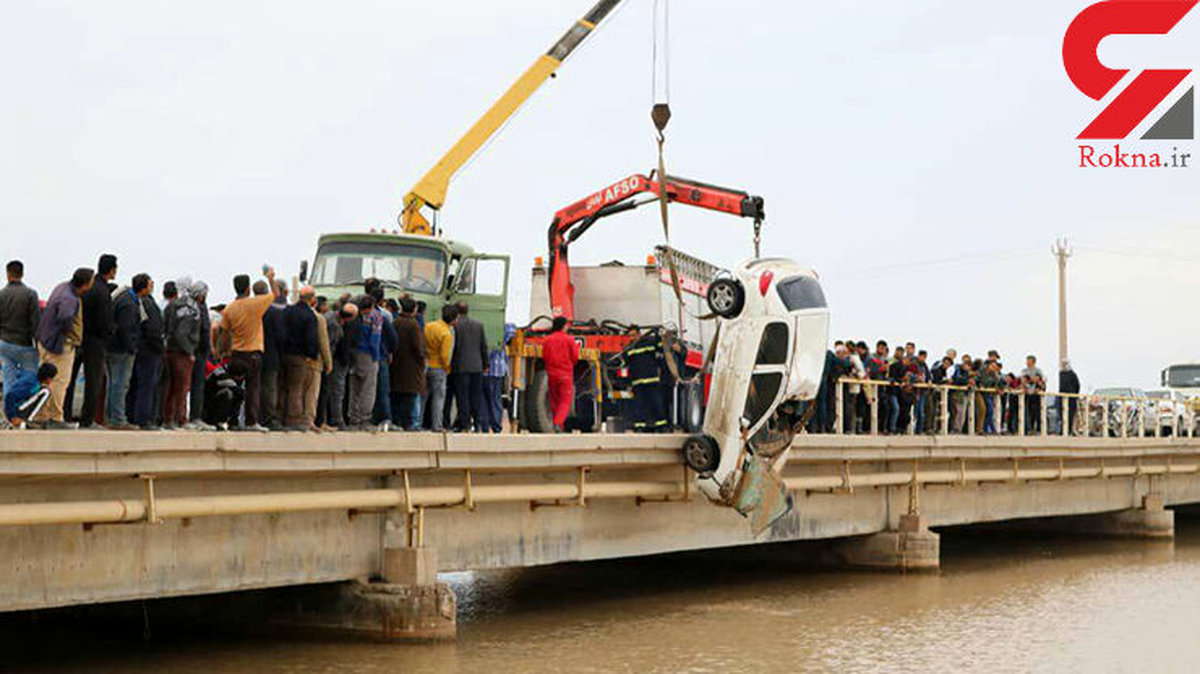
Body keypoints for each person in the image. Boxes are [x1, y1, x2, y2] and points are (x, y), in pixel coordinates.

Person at [219, 268, 280, 432]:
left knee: (234, 388)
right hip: (253, 354)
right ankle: (251, 422)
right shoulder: (255, 303)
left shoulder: (229, 309)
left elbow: (224, 334)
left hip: (236, 354)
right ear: (248, 289)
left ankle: (231, 420)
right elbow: (276, 293)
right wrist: (270, 278)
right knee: (253, 388)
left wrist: (223, 352)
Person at [34, 267, 94, 429]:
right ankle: (55, 417)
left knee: (46, 381)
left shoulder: (62, 287)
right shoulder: (70, 299)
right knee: (59, 380)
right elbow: (65, 316)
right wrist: (71, 334)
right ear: (85, 284)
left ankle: (42, 415)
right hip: (58, 345)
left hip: (45, 341)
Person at [70, 253, 117, 427]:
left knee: (71, 379)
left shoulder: (87, 286)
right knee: (93, 382)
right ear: (112, 270)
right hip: (95, 342)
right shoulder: (103, 291)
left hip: (78, 338)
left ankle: (66, 416)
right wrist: (110, 333)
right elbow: (105, 321)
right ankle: (87, 419)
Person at [106, 274, 151, 430]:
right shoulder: (129, 304)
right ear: (144, 286)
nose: (152, 287)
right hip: (121, 350)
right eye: (150, 284)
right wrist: (131, 348)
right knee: (120, 384)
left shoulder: (126, 298)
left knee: (114, 384)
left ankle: (112, 417)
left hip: (114, 347)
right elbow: (125, 329)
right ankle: (118, 419)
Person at [281, 287, 330, 431]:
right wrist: (323, 360)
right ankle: (299, 421)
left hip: (285, 355)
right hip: (305, 358)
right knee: (305, 392)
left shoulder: (287, 311)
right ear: (312, 299)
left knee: (286, 388)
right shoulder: (314, 317)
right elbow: (320, 341)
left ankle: (284, 418)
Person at [162, 277, 203, 430]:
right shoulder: (190, 307)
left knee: (171, 387)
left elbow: (166, 328)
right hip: (183, 353)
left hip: (169, 351)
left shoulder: (171, 305)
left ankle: (168, 419)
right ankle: (181, 419)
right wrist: (189, 351)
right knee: (182, 387)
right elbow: (182, 333)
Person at [0, 260, 40, 405]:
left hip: (5, 344)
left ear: (7, 274)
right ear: (22, 273)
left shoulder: (1, 294)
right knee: (30, 379)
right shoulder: (30, 294)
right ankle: (25, 408)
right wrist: (39, 344)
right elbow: (35, 323)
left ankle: (9, 413)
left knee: (8, 379)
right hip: (24, 345)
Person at [347, 293, 386, 429]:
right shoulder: (376, 316)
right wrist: (376, 357)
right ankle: (365, 419)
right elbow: (375, 339)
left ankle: (353, 418)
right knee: (368, 388)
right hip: (368, 355)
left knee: (354, 387)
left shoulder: (354, 314)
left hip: (353, 354)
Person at [130, 278, 165, 430]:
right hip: (150, 351)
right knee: (147, 386)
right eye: (150, 284)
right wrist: (159, 348)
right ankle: (144, 419)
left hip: (140, 349)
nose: (152, 287)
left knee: (137, 385)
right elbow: (153, 329)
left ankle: (133, 416)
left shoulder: (138, 302)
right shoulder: (148, 305)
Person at [450, 302, 488, 432]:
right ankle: (477, 423)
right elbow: (483, 346)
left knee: (462, 397)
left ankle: (464, 424)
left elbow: (453, 347)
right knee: (476, 396)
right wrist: (486, 364)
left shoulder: (454, 325)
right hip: (477, 366)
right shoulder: (478, 325)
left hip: (460, 366)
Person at [391, 296, 426, 431]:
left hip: (397, 365)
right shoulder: (414, 325)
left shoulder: (396, 322)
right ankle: (413, 423)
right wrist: (422, 360)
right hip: (412, 367)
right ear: (414, 309)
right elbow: (418, 347)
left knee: (398, 396)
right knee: (412, 396)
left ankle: (398, 421)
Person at [625, 327, 667, 433]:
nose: (632, 338)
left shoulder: (649, 343)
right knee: (639, 405)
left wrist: (657, 336)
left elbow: (661, 349)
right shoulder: (629, 349)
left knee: (656, 403)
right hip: (637, 382)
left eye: (634, 335)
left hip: (651, 380)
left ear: (639, 334)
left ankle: (661, 426)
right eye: (630, 336)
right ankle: (640, 426)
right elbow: (626, 364)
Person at [423, 304, 457, 432]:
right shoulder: (447, 334)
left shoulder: (429, 326)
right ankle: (436, 425)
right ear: (453, 320)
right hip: (439, 368)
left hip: (426, 365)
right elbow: (444, 356)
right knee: (438, 398)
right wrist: (447, 368)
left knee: (423, 397)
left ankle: (418, 422)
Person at [541, 317, 578, 432]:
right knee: (566, 401)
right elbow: (575, 357)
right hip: (565, 374)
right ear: (563, 326)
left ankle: (557, 425)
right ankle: (558, 423)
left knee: (554, 401)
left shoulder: (547, 340)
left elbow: (545, 357)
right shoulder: (569, 340)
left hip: (552, 374)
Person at [325, 302, 358, 430]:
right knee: (336, 391)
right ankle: (336, 419)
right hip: (335, 361)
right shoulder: (335, 325)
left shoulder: (329, 316)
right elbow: (330, 345)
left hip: (335, 360)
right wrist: (329, 362)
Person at [260, 281, 288, 429]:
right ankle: (270, 418)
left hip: (256, 352)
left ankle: (257, 417)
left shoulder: (256, 309)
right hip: (273, 354)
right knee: (271, 387)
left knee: (257, 387)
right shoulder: (275, 312)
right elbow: (281, 336)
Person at [187, 281, 213, 430]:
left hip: (194, 351)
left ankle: (194, 417)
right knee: (197, 386)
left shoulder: (191, 307)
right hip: (198, 352)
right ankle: (195, 417)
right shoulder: (198, 309)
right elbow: (203, 330)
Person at [2, 363, 57, 430]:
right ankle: (27, 420)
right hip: (17, 409)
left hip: (17, 405)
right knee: (46, 392)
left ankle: (24, 420)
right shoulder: (31, 384)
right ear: (48, 378)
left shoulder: (32, 376)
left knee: (43, 389)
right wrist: (12, 416)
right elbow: (10, 395)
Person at [481, 324, 513, 434]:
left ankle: (485, 426)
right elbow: (511, 331)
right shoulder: (503, 327)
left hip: (483, 370)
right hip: (496, 370)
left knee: (484, 400)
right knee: (495, 399)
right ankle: (496, 427)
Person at [1022, 355, 1046, 434]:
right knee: (1029, 412)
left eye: (1029, 361)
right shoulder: (1024, 371)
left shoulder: (1038, 371)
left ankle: (1038, 429)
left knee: (1037, 412)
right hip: (1028, 394)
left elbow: (1043, 381)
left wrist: (1039, 384)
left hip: (1036, 394)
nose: (1027, 362)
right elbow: (1023, 380)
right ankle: (1030, 428)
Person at [1060, 360, 1081, 435]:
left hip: (1071, 398)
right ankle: (1062, 430)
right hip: (1062, 397)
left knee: (1070, 414)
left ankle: (1069, 430)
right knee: (1062, 413)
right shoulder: (1061, 373)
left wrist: (1074, 394)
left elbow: (1077, 385)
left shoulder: (1072, 374)